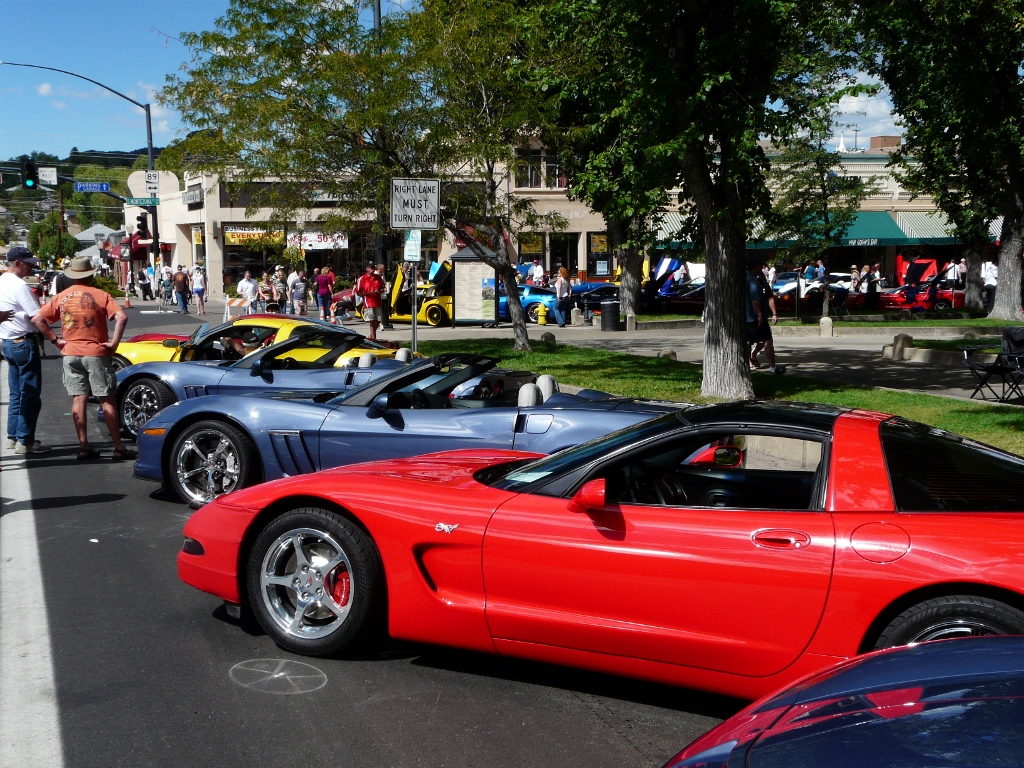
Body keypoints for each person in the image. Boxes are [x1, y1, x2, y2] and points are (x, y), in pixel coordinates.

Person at [31, 256, 134, 461]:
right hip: (95, 352)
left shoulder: (62, 296)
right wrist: (114, 343)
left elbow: (37, 319)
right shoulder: (101, 295)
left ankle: (84, 446)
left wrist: (55, 340)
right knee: (106, 399)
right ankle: (118, 447)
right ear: (91, 275)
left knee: (79, 398)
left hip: (70, 353)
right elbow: (121, 317)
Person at [0, 247, 48, 454]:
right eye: (28, 263)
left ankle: (13, 437)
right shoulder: (20, 286)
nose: (31, 267)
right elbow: (36, 316)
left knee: (16, 393)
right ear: (17, 263)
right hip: (23, 341)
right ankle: (25, 440)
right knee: (30, 393)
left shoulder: (2, 281)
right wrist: (54, 337)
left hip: (8, 341)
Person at [748, 260, 785, 374]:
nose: (762, 269)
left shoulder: (760, 281)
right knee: (751, 341)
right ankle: (751, 363)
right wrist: (759, 315)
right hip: (752, 317)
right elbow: (754, 300)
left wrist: (774, 314)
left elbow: (770, 297)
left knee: (765, 340)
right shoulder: (751, 281)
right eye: (760, 267)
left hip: (756, 316)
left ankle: (759, 360)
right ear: (756, 266)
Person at [354, 263, 385, 340]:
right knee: (372, 320)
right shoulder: (362, 279)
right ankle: (373, 338)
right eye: (371, 268)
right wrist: (368, 293)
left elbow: (383, 288)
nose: (373, 269)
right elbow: (358, 292)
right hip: (368, 302)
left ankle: (371, 335)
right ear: (367, 268)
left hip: (377, 301)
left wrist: (379, 291)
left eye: (373, 268)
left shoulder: (378, 277)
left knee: (379, 319)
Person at [376, 264, 394, 329]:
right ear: (380, 269)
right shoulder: (375, 275)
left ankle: (380, 323)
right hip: (377, 295)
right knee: (377, 310)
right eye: (383, 268)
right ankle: (379, 324)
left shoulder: (382, 275)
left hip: (383, 294)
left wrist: (385, 288)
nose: (385, 270)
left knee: (381, 309)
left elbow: (384, 283)